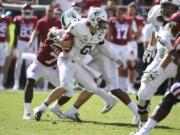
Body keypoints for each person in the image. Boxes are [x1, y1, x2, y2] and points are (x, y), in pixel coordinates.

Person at [33, 7, 119, 121]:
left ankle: (70, 111)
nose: (103, 25)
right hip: (66, 60)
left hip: (78, 63)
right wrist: (60, 39)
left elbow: (104, 47)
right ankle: (40, 108)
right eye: (101, 22)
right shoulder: (77, 26)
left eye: (104, 22)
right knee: (66, 87)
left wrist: (116, 58)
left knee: (92, 87)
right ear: (93, 19)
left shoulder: (97, 33)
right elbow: (56, 32)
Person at [132, 0, 179, 133]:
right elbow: (156, 29)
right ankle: (142, 126)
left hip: (176, 62)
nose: (168, 10)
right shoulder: (156, 14)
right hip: (160, 58)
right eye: (166, 6)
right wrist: (151, 47)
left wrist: (159, 70)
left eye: (172, 8)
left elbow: (173, 52)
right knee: (143, 94)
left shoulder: (177, 23)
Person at [13, 4, 38, 90]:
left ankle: (28, 84)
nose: (27, 14)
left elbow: (36, 34)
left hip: (30, 42)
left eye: (28, 12)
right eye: (25, 12)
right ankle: (16, 83)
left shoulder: (35, 19)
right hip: (20, 41)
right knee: (18, 63)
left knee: (29, 64)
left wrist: (35, 45)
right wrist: (15, 46)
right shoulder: (18, 19)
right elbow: (15, 33)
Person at [0, 3, 10, 90]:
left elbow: (7, 32)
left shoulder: (6, 19)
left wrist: (8, 44)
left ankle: (0, 84)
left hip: (2, 43)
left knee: (2, 65)